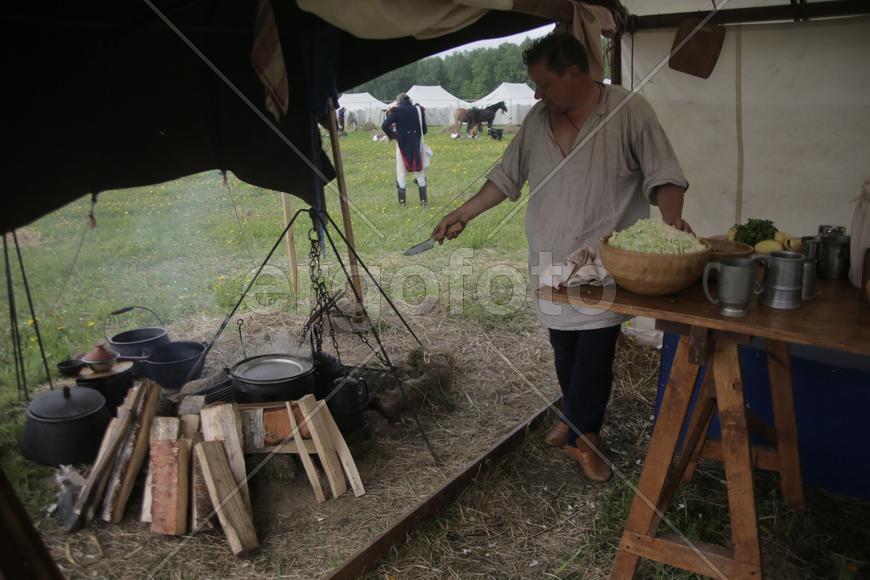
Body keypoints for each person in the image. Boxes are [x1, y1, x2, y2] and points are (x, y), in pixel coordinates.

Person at [432, 33, 692, 483]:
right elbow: (505, 178)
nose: (537, 94)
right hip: (549, 258)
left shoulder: (629, 110)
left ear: (575, 73)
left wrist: (670, 221)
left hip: (604, 262)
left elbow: (664, 173)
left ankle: (584, 440)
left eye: (545, 84)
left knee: (594, 353)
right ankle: (572, 416)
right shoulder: (537, 119)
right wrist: (463, 214)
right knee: (563, 346)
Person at [382, 93, 428, 206]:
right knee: (419, 172)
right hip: (417, 144)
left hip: (402, 145)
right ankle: (424, 202)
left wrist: (393, 135)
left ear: (399, 101)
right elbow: (425, 130)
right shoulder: (418, 110)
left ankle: (402, 203)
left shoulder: (396, 110)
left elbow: (384, 125)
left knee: (401, 173)